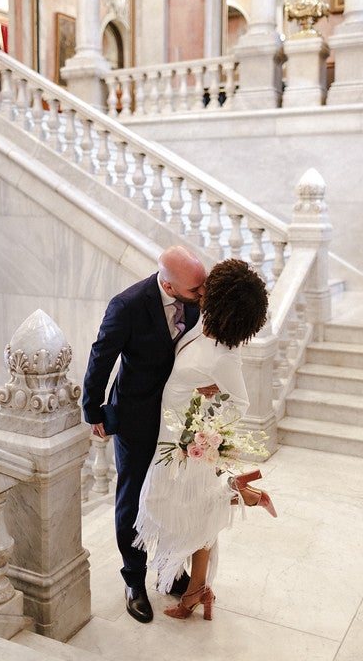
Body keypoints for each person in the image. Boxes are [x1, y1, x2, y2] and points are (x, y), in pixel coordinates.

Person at [133, 258, 275, 621]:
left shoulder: (225, 352)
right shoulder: (205, 322)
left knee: (194, 514)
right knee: (196, 511)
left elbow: (239, 403)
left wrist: (201, 429)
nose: (204, 291)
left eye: (212, 288)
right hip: (171, 431)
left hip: (188, 443)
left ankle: (196, 590)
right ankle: (238, 493)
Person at [82, 245, 207, 623]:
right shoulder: (127, 305)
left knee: (174, 493)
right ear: (168, 286)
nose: (202, 296)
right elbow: (101, 357)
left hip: (179, 414)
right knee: (133, 497)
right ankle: (133, 579)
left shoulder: (196, 294)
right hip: (136, 414)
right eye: (194, 292)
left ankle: (169, 571)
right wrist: (94, 410)